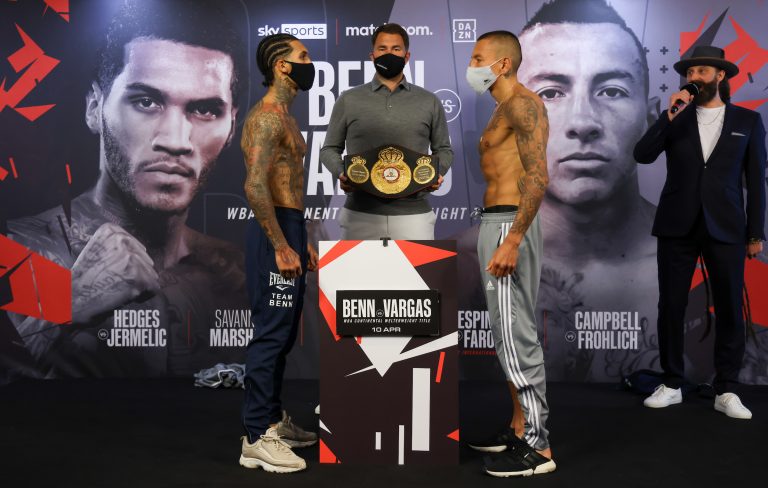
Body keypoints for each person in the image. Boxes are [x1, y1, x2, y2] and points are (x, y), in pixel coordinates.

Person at [6, 0, 247, 377]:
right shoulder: (15, 252)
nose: (175, 140)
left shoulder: (239, 273)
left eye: (204, 110)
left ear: (231, 125)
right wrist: (70, 304)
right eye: (146, 102)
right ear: (94, 107)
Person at [516, 0, 661, 382]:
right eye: (550, 93)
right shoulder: (460, 270)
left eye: (611, 91)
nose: (583, 122)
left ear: (650, 119)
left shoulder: (710, 270)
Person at [634, 45, 766, 419]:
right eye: (690, 73)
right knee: (671, 305)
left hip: (727, 225)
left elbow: (756, 182)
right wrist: (668, 116)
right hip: (677, 224)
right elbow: (642, 154)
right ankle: (672, 382)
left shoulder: (747, 121)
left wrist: (755, 234)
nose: (694, 78)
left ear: (720, 76)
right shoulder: (676, 117)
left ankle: (727, 389)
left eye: (702, 72)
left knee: (729, 307)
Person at [463, 30, 555, 477]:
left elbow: (538, 175)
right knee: (507, 332)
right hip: (497, 221)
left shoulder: (522, 103)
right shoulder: (502, 107)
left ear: (502, 64)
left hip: (508, 222)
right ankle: (519, 428)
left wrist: (513, 238)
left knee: (516, 336)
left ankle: (538, 447)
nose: (472, 65)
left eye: (477, 57)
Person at [238, 33, 319, 474]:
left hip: (289, 224)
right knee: (271, 334)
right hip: (274, 232)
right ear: (282, 66)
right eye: (303, 56)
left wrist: (298, 238)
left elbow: (286, 184)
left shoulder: (285, 116)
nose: (310, 62)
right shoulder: (267, 117)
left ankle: (271, 419)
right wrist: (281, 244)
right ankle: (255, 437)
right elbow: (255, 186)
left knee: (284, 334)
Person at [320, 23, 453, 240]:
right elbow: (329, 149)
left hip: (415, 216)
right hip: (360, 214)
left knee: (418, 266)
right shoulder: (349, 99)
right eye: (382, 49)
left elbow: (444, 149)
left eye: (396, 49)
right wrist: (341, 172)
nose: (389, 54)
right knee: (357, 266)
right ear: (372, 56)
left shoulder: (429, 101)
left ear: (407, 56)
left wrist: (437, 173)